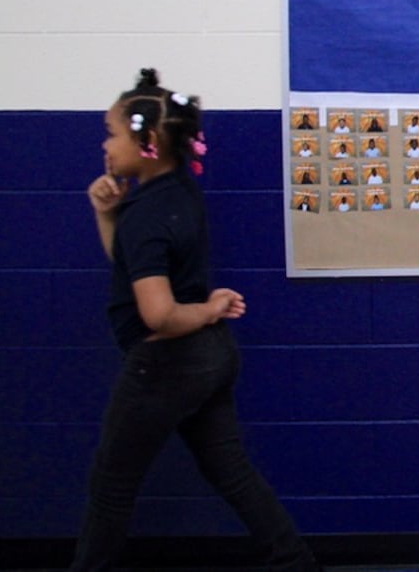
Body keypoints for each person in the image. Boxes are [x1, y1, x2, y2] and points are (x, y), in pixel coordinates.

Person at [71, 69, 320, 572]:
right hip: (207, 358)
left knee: (111, 485)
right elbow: (135, 267)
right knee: (230, 469)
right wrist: (107, 215)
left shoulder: (145, 215)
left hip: (167, 363)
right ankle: (296, 563)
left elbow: (158, 313)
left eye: (112, 132)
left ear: (147, 142)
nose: (105, 144)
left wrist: (208, 307)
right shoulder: (175, 193)